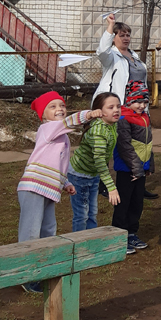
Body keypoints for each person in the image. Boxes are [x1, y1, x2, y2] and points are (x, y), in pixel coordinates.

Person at [16, 92, 102, 292]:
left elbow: (58, 164)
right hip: (33, 188)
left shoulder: (60, 136)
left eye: (62, 105)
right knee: (30, 233)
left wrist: (65, 182)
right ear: (43, 115)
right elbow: (70, 122)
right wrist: (88, 115)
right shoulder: (48, 129)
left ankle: (42, 270)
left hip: (48, 189)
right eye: (53, 106)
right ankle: (25, 275)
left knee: (48, 231)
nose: (60, 109)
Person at [68, 92, 121, 234]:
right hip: (79, 175)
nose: (116, 110)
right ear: (100, 111)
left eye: (118, 106)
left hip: (93, 174)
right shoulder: (98, 131)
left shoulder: (111, 125)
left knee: (92, 212)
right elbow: (99, 162)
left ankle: (91, 243)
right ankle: (78, 247)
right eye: (110, 107)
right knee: (82, 214)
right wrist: (111, 187)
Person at [112, 81, 154, 254]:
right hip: (126, 170)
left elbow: (148, 143)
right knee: (124, 204)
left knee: (137, 203)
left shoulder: (144, 117)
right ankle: (118, 236)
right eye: (138, 101)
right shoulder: (123, 118)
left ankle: (132, 233)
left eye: (145, 102)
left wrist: (149, 164)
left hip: (140, 170)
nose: (142, 105)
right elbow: (125, 147)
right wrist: (136, 169)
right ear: (129, 100)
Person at [94, 14, 148, 107]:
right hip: (117, 106)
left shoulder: (134, 55)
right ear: (113, 38)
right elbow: (103, 50)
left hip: (138, 106)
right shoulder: (111, 56)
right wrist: (111, 25)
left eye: (128, 35)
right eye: (122, 35)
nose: (126, 38)